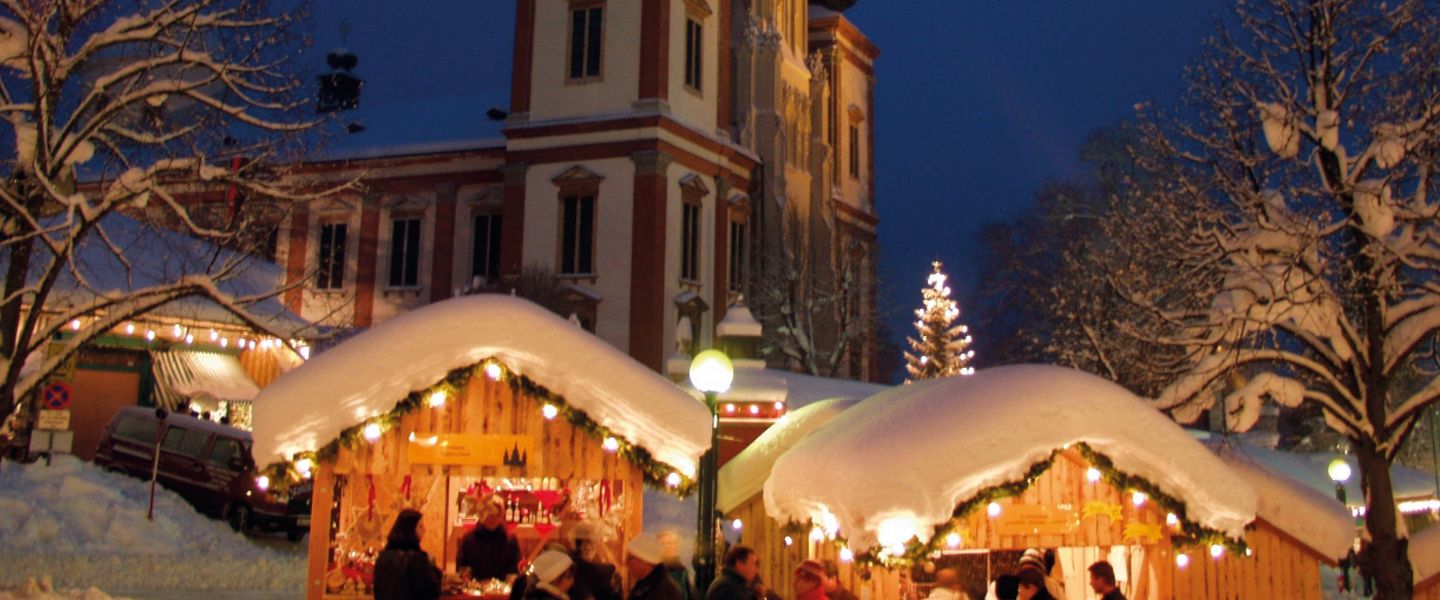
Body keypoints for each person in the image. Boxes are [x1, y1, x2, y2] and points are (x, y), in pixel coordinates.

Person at [373, 509, 442, 600]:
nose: (424, 530)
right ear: (410, 530)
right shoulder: (416, 559)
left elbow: (377, 590)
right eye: (420, 526)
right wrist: (434, 569)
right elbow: (430, 592)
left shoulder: (383, 557)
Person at [458, 496, 522, 581]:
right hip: (475, 589)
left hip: (502, 591)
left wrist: (512, 577)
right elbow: (462, 566)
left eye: (496, 514)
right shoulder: (468, 539)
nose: (493, 518)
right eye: (489, 514)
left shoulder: (510, 540)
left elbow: (515, 568)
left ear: (502, 515)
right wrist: (466, 574)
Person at [571, 521, 623, 600]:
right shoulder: (605, 572)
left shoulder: (570, 566)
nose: (591, 548)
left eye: (594, 543)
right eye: (592, 543)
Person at [626, 533, 684, 600]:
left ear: (644, 560)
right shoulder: (645, 585)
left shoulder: (664, 591)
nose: (626, 563)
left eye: (630, 558)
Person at [658, 530, 697, 600]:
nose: (667, 546)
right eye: (663, 544)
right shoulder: (654, 573)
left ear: (676, 547)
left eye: (670, 543)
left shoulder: (682, 573)